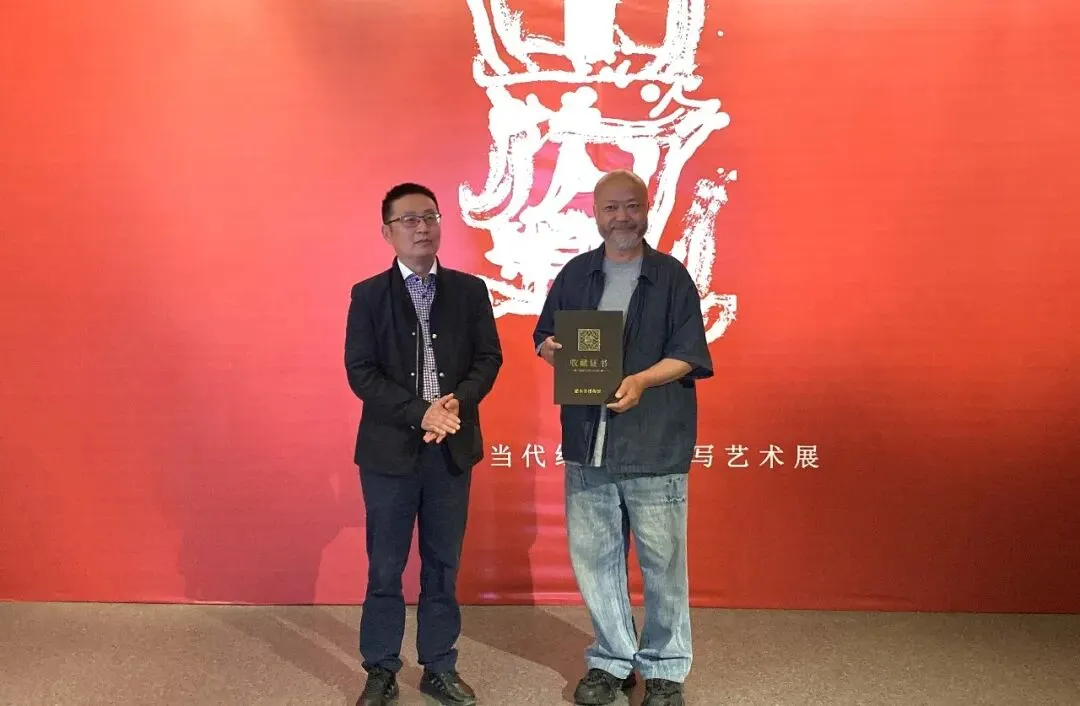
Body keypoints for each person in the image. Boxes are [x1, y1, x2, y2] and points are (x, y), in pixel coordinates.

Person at [532, 169, 713, 706]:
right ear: (595, 214)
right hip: (588, 442)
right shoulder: (577, 273)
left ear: (647, 208)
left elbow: (690, 354)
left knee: (662, 565)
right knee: (596, 562)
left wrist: (640, 381)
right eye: (611, 208)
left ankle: (664, 667)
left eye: (631, 206)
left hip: (654, 442)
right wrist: (551, 350)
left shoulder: (671, 276)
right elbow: (545, 335)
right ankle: (612, 659)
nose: (622, 218)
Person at [345, 182, 502, 706]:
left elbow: (488, 358)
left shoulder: (469, 291)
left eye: (430, 217)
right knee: (385, 567)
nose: (421, 227)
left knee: (442, 565)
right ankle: (381, 668)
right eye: (408, 219)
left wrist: (456, 403)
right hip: (389, 453)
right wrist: (422, 412)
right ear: (387, 231)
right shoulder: (368, 295)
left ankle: (439, 665)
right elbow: (361, 371)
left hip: (450, 450)